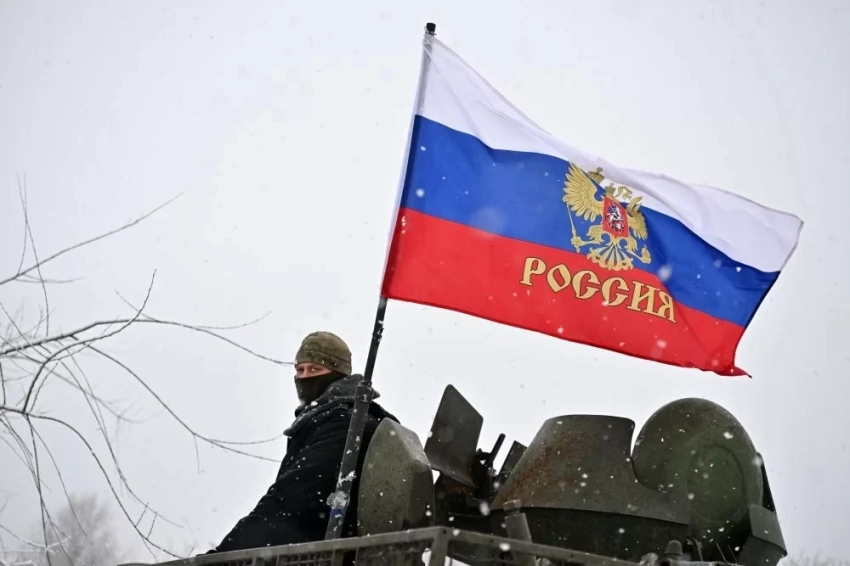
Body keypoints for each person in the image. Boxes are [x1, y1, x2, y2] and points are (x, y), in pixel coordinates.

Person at [206, 331, 398, 552]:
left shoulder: (344, 423)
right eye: (300, 370)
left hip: (337, 553)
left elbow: (290, 501)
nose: (304, 377)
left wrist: (222, 555)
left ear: (339, 374)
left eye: (315, 369)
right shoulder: (330, 419)